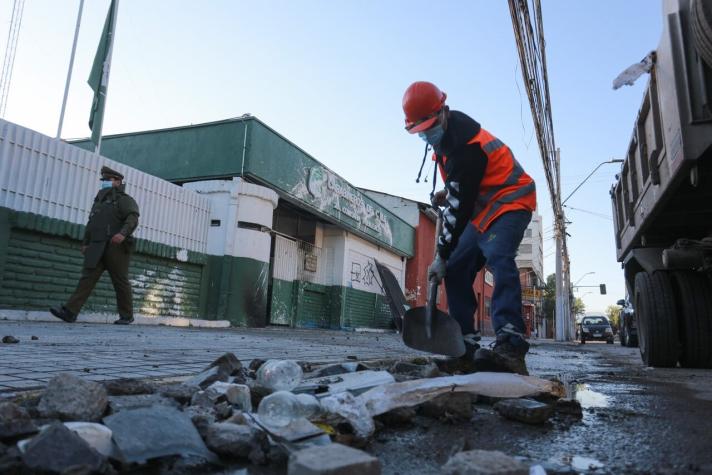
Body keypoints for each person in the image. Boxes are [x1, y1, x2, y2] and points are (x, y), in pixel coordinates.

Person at [402, 81, 536, 375]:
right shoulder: (446, 139)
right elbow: (465, 189)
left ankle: (511, 345)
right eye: (419, 129)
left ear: (443, 112)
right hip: (484, 210)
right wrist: (450, 194)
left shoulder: (466, 147)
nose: (425, 133)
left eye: (428, 125)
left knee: (498, 256)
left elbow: (461, 207)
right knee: (457, 266)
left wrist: (440, 254)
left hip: (511, 200)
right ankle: (464, 346)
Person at [50, 166, 140, 325]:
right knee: (87, 278)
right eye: (103, 180)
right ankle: (70, 312)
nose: (104, 182)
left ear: (118, 182)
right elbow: (91, 223)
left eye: (108, 180)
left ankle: (126, 316)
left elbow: (132, 218)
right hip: (97, 246)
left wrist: (123, 234)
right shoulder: (99, 202)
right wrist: (85, 243)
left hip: (116, 247)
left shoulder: (124, 200)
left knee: (120, 281)